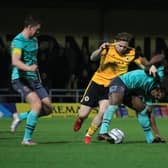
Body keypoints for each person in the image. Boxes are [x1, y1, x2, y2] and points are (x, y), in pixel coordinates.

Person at [73, 32, 156, 144]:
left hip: (114, 86)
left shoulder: (132, 52)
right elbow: (93, 58)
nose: (122, 48)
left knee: (103, 111)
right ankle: (80, 119)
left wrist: (151, 67)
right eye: (120, 45)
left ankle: (89, 135)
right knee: (83, 114)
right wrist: (99, 50)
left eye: (124, 47)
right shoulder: (107, 48)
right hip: (96, 83)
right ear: (115, 42)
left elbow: (144, 64)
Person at [10, 14, 53, 145]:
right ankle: (26, 139)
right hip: (20, 79)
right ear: (29, 27)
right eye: (37, 29)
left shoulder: (34, 40)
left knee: (48, 109)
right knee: (36, 104)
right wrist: (29, 69)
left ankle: (20, 116)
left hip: (34, 79)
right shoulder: (18, 41)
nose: (38, 32)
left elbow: (33, 60)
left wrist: (38, 73)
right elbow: (15, 61)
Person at [98, 66, 166, 144]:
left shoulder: (149, 95)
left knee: (143, 110)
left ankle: (150, 139)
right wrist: (153, 66)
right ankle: (103, 132)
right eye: (157, 95)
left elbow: (150, 113)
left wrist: (157, 134)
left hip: (129, 91)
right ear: (159, 89)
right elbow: (158, 66)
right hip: (120, 82)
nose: (155, 97)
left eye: (157, 98)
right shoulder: (156, 79)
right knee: (115, 102)